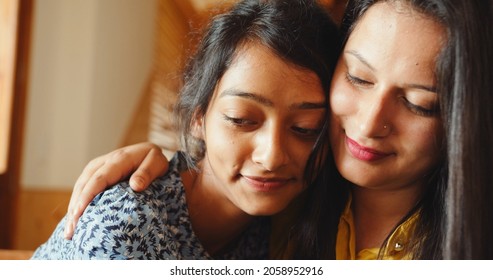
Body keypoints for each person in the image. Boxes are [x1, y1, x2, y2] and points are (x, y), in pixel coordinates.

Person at [62, 0, 493, 259]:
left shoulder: (284, 203)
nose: (367, 122)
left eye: (420, 104)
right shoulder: (283, 207)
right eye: (359, 79)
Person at [30, 0, 340, 259]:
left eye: (306, 128)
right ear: (197, 117)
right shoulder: (126, 226)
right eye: (242, 119)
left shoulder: (281, 226)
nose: (271, 157)